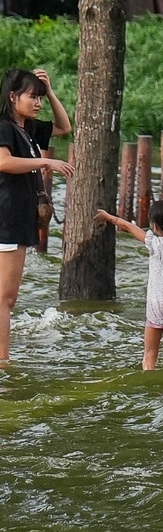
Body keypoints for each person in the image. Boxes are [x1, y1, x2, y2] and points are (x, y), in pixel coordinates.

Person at [0, 69, 71, 363]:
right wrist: (45, 161)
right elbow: (3, 162)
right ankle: (3, 362)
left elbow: (64, 127)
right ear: (13, 96)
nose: (38, 102)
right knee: (4, 299)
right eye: (32, 96)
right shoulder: (4, 127)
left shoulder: (27, 129)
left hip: (18, 218)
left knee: (9, 298)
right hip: (5, 217)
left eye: (40, 97)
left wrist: (51, 91)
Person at [97, 200, 163, 370]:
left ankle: (149, 389)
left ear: (154, 226)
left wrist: (107, 216)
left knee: (149, 355)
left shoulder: (154, 243)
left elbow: (128, 226)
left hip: (156, 308)